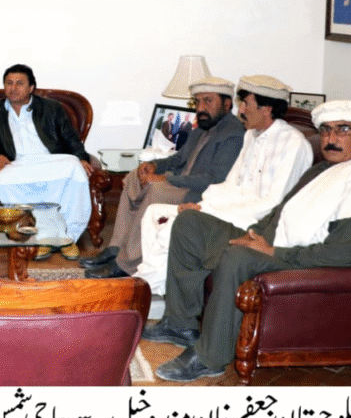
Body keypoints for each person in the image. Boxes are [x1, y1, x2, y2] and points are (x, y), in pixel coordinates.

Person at [145, 100, 351, 382]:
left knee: (237, 257)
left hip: (300, 261)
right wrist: (253, 234)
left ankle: (211, 357)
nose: (331, 138)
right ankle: (180, 324)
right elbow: (281, 212)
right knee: (190, 223)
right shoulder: (323, 169)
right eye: (326, 130)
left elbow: (348, 254)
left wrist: (272, 251)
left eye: (343, 130)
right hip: (273, 244)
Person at [134, 75, 313, 294]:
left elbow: (273, 203)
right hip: (228, 211)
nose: (241, 111)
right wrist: (203, 206)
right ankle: (155, 287)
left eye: (246, 104)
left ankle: (145, 288)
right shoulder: (251, 136)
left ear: (266, 109)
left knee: (171, 228)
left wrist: (208, 212)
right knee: (153, 213)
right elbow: (230, 184)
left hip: (253, 221)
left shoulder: (293, 144)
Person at [83, 76, 245, 278]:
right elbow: (179, 158)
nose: (201, 108)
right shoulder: (203, 128)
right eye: (198, 101)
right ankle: (116, 247)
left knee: (156, 189)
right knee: (135, 176)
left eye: (208, 101)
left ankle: (127, 263)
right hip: (182, 183)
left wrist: (166, 179)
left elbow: (214, 179)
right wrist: (153, 166)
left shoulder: (233, 134)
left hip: (199, 193)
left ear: (227, 104)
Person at [0, 64, 93, 253]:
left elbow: (71, 139)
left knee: (75, 168)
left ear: (31, 88)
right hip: (18, 164)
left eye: (19, 83)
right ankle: (36, 236)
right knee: (4, 179)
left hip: (51, 161)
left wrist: (81, 158)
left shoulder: (52, 108)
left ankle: (67, 236)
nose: (13, 88)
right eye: (9, 83)